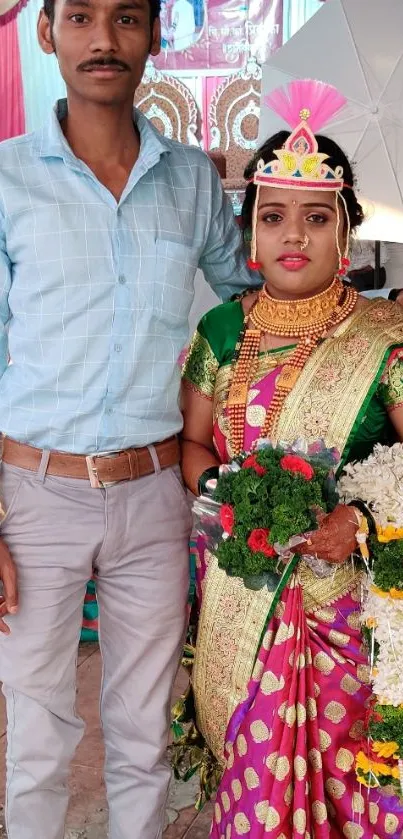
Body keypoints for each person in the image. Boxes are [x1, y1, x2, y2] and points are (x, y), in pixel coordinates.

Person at [0, 0, 252, 837]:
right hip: (31, 494)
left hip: (153, 494)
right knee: (37, 739)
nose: (103, 38)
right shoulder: (6, 179)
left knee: (143, 739)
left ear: (154, 33)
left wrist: (352, 309)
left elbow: (249, 309)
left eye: (126, 18)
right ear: (47, 33)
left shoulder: (188, 181)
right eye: (80, 17)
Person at [180, 81, 403, 837]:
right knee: (254, 781)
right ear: (249, 233)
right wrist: (225, 497)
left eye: (316, 217)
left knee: (355, 791)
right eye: (272, 217)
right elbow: (192, 444)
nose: (293, 235)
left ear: (347, 231)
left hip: (349, 606)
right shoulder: (219, 330)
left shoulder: (384, 336)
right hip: (244, 590)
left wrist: (359, 517)